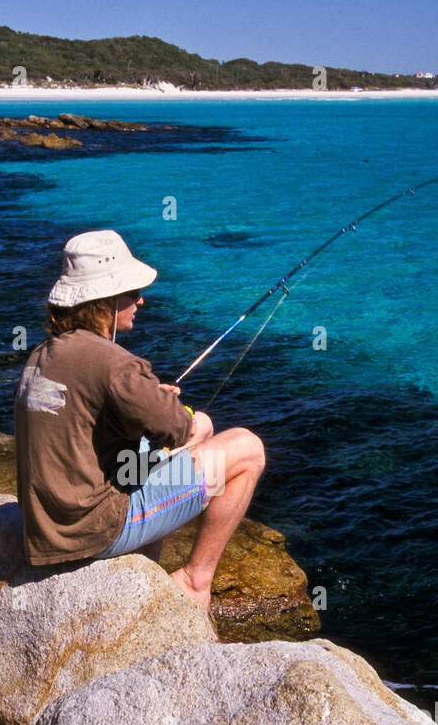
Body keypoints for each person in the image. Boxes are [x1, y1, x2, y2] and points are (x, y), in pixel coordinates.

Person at [14, 229, 265, 613]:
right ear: (106, 301)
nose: (141, 300)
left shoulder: (41, 355)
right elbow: (181, 430)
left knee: (200, 432)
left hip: (48, 526)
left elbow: (85, 415)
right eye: (132, 293)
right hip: (93, 531)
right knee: (246, 448)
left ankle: (145, 567)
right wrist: (175, 413)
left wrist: (151, 401)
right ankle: (196, 582)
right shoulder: (115, 364)